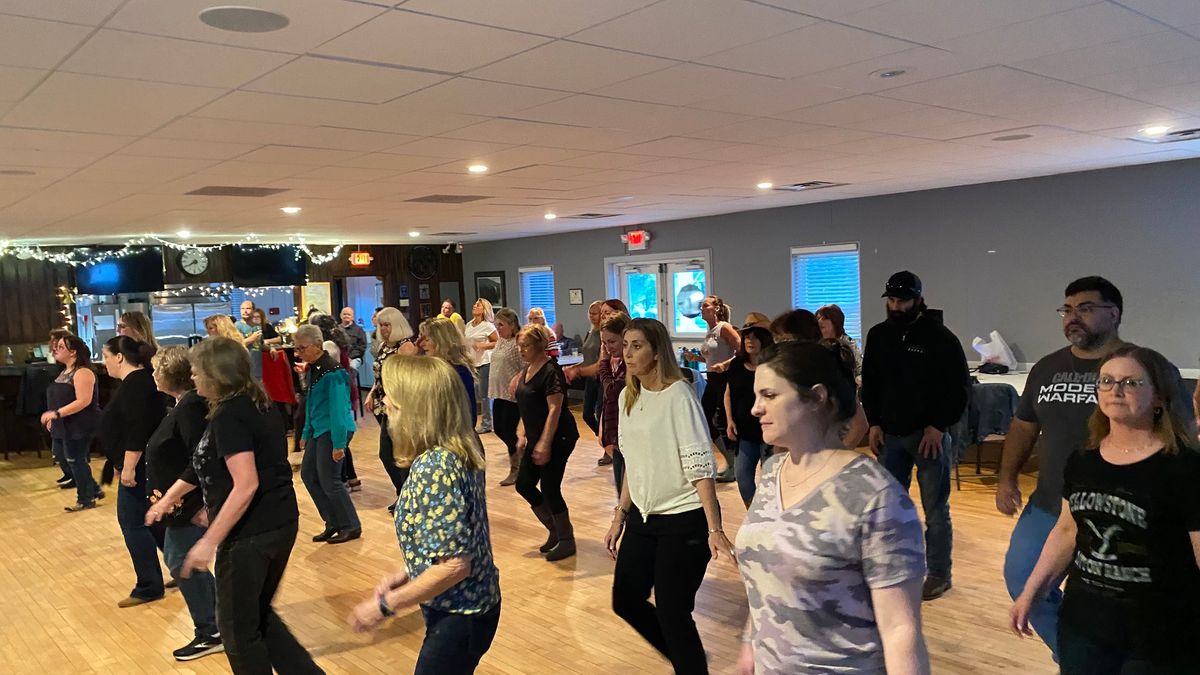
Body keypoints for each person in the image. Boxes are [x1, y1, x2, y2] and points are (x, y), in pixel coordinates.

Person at [996, 276, 1195, 658]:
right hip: (1052, 504)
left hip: (1131, 507)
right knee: (1024, 583)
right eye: (1067, 309)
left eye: (1085, 308)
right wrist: (1006, 479)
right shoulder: (1047, 368)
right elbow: (1023, 427)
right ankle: (1074, 654)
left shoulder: (1145, 368)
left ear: (1114, 314)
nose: (1073, 317)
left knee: (1129, 600)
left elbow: (1182, 435)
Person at [736, 341, 929, 675]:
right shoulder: (771, 473)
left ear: (816, 397)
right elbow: (770, 575)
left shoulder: (873, 495)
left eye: (769, 395)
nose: (756, 408)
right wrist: (748, 648)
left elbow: (901, 630)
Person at [175, 336, 321, 674]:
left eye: (197, 372)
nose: (193, 378)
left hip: (253, 533)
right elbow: (255, 472)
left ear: (216, 374)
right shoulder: (257, 402)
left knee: (237, 631)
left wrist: (208, 542)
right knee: (256, 614)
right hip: (278, 521)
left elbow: (246, 484)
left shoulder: (231, 413)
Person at [349, 355, 501, 674]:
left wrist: (384, 606)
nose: (385, 401)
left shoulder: (436, 466)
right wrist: (407, 573)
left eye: (392, 394)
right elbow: (454, 537)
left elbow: (456, 565)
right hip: (473, 605)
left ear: (415, 405)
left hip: (461, 611)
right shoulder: (459, 447)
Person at [604, 318, 732, 675]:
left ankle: (688, 662)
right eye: (624, 345)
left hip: (684, 518)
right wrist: (619, 515)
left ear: (657, 351)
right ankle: (687, 657)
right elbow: (632, 461)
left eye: (636, 346)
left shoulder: (679, 395)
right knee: (626, 600)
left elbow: (700, 465)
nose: (627, 353)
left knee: (674, 611)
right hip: (643, 519)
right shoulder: (629, 396)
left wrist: (714, 528)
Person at [861, 270, 970, 602]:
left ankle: (939, 573)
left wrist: (939, 426)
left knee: (935, 510)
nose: (896, 306)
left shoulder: (941, 338)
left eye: (903, 300)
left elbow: (958, 388)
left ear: (918, 299)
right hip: (890, 435)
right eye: (892, 300)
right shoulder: (878, 335)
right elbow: (871, 382)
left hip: (929, 438)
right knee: (889, 508)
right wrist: (874, 423)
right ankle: (893, 568)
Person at [142, 346, 222, 662]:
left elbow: (200, 458)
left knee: (182, 561)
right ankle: (219, 622)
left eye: (155, 370)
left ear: (167, 373)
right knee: (184, 561)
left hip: (188, 505)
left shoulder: (189, 407)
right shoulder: (180, 404)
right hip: (180, 503)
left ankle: (212, 630)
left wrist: (200, 503)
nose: (152, 375)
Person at [99, 335, 168, 608]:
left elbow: (139, 429)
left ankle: (149, 585)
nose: (104, 363)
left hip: (139, 466)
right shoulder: (135, 383)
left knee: (133, 523)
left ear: (118, 356)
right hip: (137, 464)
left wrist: (127, 467)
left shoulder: (137, 384)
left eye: (105, 356)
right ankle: (184, 568)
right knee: (152, 520)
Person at [514, 324, 580, 561]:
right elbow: (526, 404)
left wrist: (545, 442)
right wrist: (522, 432)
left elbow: (555, 409)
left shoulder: (552, 370)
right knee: (524, 484)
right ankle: (554, 529)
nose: (521, 350)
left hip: (558, 436)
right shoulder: (528, 369)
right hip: (536, 435)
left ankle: (566, 539)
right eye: (519, 346)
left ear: (540, 345)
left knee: (550, 487)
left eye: (526, 346)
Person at [294, 324, 361, 544]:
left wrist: (339, 444)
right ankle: (333, 521)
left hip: (334, 430)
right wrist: (305, 432)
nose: (299, 353)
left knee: (330, 480)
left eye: (302, 348)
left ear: (316, 345)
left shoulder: (334, 372)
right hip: (319, 429)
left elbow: (340, 410)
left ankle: (350, 525)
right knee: (309, 475)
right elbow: (313, 404)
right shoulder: (315, 368)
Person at [682, 295, 739, 483]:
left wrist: (726, 364)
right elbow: (711, 359)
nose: (701, 309)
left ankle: (734, 464)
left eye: (705, 306)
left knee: (721, 420)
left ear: (716, 309)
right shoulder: (710, 331)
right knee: (706, 420)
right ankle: (730, 462)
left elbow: (742, 351)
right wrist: (695, 359)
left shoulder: (725, 328)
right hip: (713, 380)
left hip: (724, 379)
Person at [41, 334, 101, 511]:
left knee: (75, 459)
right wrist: (54, 418)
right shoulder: (65, 371)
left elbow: (83, 401)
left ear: (73, 352)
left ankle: (85, 498)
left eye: (60, 347)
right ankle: (93, 489)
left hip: (80, 424)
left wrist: (56, 414)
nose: (55, 350)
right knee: (61, 454)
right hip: (64, 424)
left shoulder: (83, 372)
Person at [367, 307, 419, 502]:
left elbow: (407, 379)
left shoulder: (405, 346)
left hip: (400, 407)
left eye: (387, 324)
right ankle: (403, 493)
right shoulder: (383, 346)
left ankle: (407, 495)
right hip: (383, 405)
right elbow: (381, 373)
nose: (383, 329)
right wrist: (372, 391)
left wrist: (393, 397)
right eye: (381, 325)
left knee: (397, 453)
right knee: (387, 454)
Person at [723, 323, 775, 507]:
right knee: (743, 477)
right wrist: (729, 420)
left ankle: (770, 517)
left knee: (771, 481)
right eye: (746, 337)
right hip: (744, 432)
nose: (749, 341)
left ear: (764, 340)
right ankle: (754, 515)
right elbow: (728, 393)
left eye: (754, 337)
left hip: (769, 432)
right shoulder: (737, 364)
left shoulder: (772, 366)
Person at [488, 308, 523, 486]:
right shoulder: (501, 341)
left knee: (508, 431)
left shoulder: (518, 343)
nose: (498, 328)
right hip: (498, 391)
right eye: (496, 325)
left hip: (512, 394)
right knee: (499, 428)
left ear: (511, 325)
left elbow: (526, 366)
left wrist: (517, 380)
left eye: (501, 325)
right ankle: (520, 459)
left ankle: (517, 468)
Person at [596, 313, 629, 497]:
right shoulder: (618, 363)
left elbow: (612, 390)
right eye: (604, 343)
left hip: (627, 437)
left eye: (612, 342)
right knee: (620, 491)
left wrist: (603, 363)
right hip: (617, 437)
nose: (608, 348)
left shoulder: (629, 366)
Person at [419, 318, 477, 424]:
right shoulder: (433, 369)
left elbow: (468, 416)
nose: (421, 344)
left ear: (442, 341)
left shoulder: (459, 372)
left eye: (427, 339)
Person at [578, 301, 606, 464]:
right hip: (590, 379)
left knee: (601, 414)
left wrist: (579, 371)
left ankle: (608, 447)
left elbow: (601, 361)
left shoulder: (604, 333)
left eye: (595, 313)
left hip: (602, 379)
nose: (592, 316)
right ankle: (604, 440)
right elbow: (586, 357)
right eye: (590, 312)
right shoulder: (590, 332)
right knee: (587, 415)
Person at [464, 299, 498, 434]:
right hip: (472, 362)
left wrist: (482, 345)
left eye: (478, 305)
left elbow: (497, 342)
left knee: (484, 394)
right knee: (474, 392)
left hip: (485, 362)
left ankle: (487, 423)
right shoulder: (468, 325)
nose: (474, 306)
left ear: (484, 309)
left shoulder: (488, 326)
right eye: (474, 304)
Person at [816, 303, 862, 380]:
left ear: (835, 321)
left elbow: (859, 369)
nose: (819, 321)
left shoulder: (849, 343)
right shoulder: (816, 345)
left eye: (824, 318)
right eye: (818, 318)